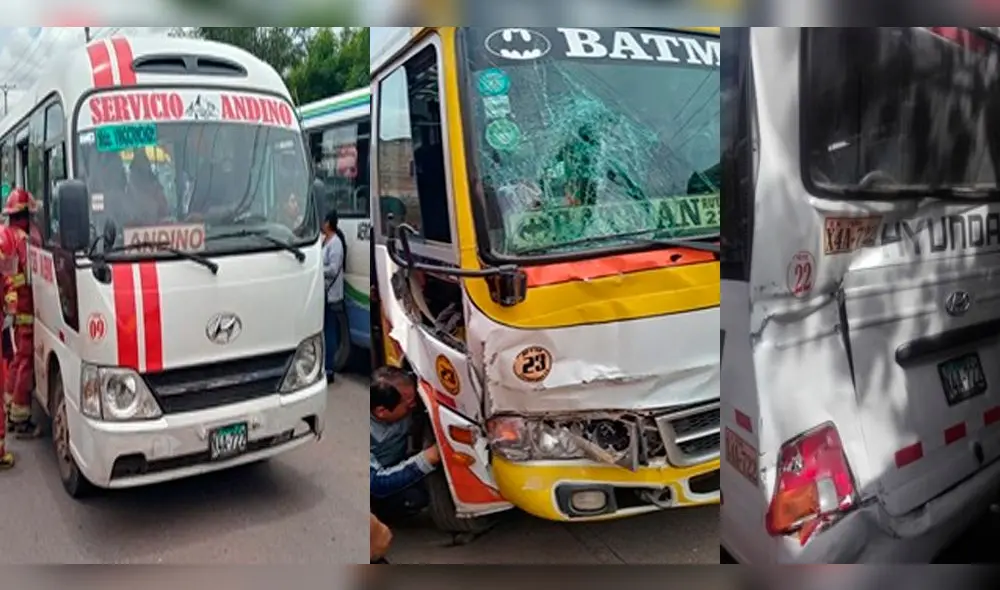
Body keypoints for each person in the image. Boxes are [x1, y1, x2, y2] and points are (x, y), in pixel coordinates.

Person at [370, 366, 441, 523]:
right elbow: (377, 484)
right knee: (415, 497)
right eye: (408, 405)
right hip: (375, 484)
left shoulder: (403, 402)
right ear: (382, 411)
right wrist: (427, 459)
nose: (414, 406)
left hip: (396, 459)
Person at [1, 188, 40, 439]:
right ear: (24, 216)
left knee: (16, 360)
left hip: (12, 310)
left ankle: (8, 406)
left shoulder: (6, 237)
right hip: (25, 309)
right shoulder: (23, 241)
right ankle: (20, 417)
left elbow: (7, 276)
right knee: (25, 361)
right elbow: (28, 276)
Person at [321, 210, 345, 382]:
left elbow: (333, 269)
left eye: (324, 221)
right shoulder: (325, 241)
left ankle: (329, 369)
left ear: (329, 223)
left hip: (331, 295)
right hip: (323, 294)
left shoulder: (335, 243)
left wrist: (318, 269)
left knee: (330, 332)